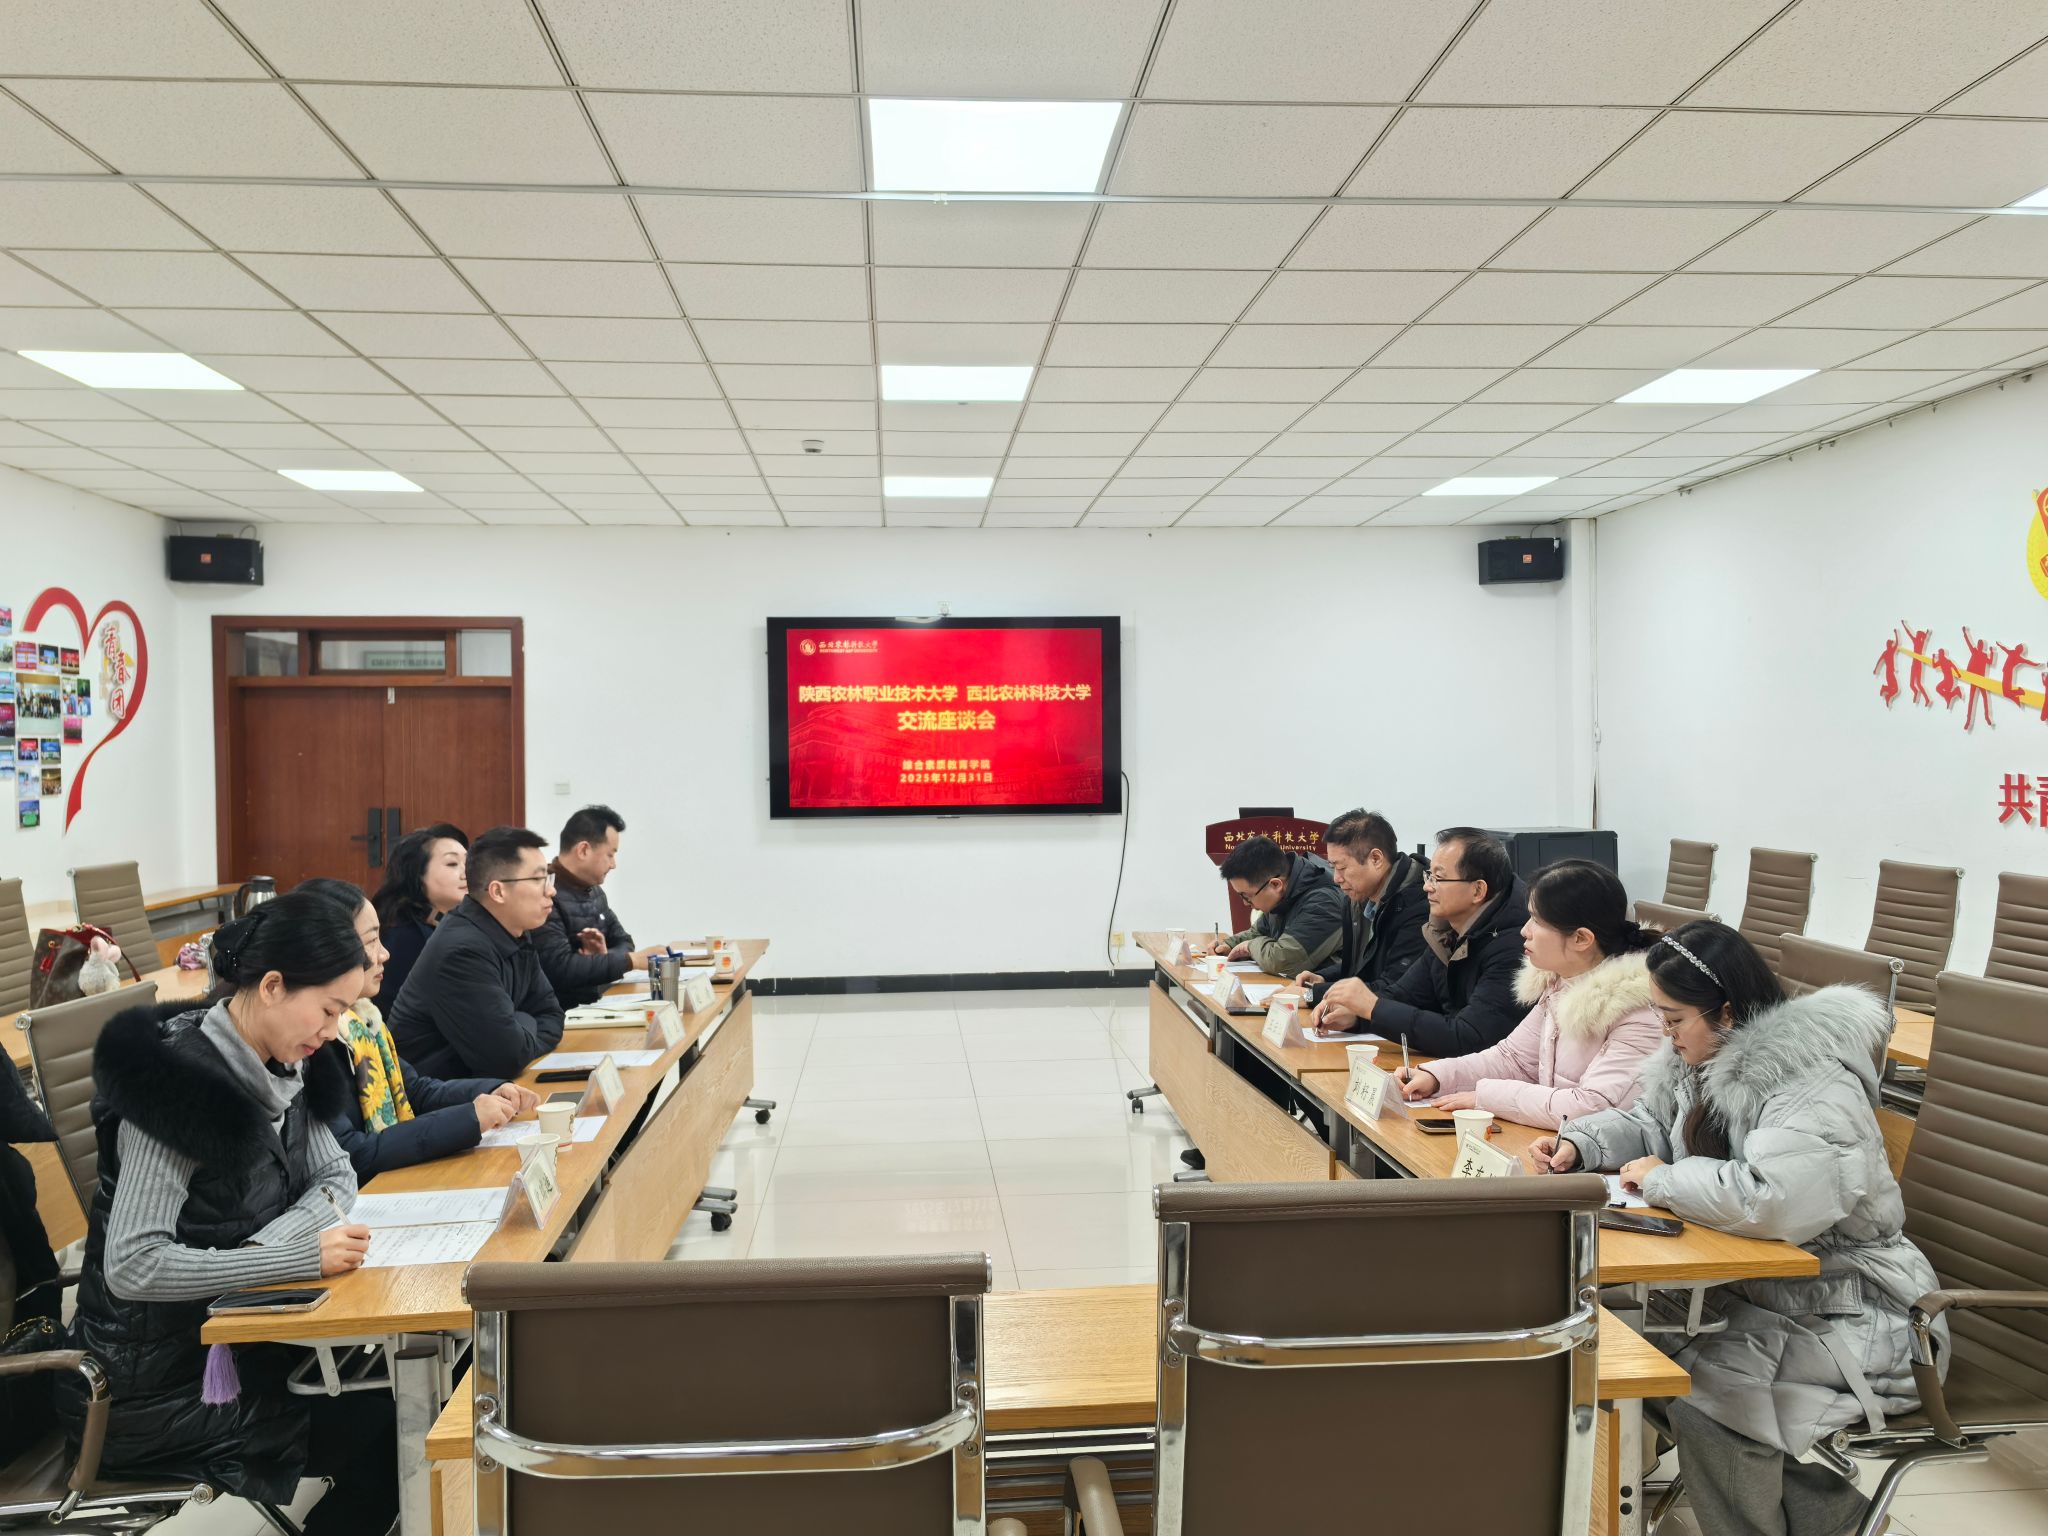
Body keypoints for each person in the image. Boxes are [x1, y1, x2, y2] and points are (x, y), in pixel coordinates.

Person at [1533, 921, 1947, 1536]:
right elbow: (1650, 1124)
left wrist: (1663, 1181)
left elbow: (1774, 1199)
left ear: (1725, 1011)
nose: (1666, 1034)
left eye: (1674, 1020)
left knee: (1706, 1399)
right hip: (1770, 1296)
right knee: (1617, 1352)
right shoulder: (1701, 1058)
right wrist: (1581, 1144)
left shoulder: (1812, 1083)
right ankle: (1841, 1521)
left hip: (1864, 1311)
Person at [55, 895, 397, 1535]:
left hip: (242, 1340)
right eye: (329, 1010)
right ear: (272, 986)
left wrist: (267, 1253)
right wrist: (292, 1257)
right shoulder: (177, 1088)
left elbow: (336, 1177)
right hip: (152, 1391)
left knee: (406, 1390)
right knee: (393, 1423)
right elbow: (133, 1266)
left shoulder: (285, 1062)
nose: (333, 1032)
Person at [298, 877, 539, 1179]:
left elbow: (415, 1090)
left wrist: (490, 1090)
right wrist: (469, 1119)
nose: (384, 954)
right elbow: (352, 1152)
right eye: (371, 942)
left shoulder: (363, 1020)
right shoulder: (313, 1036)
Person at [1394, 859, 1662, 1127]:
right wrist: (1437, 1076)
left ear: (1581, 938)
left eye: (1537, 920)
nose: (1525, 930)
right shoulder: (1560, 982)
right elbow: (1512, 1059)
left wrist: (1486, 1097)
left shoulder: (1640, 1012)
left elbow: (1591, 1108)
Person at [1314, 827, 1528, 1054]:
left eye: (1439, 878)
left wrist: (1373, 1008)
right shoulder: (1445, 931)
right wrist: (1357, 1016)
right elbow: (1405, 996)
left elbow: (1469, 1037)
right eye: (1429, 876)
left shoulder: (1515, 945)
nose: (1427, 886)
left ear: (1477, 890)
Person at [388, 826, 565, 1080]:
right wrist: (523, 1021)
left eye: (548, 877)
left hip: (483, 1087)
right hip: (440, 1095)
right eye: (538, 880)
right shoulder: (462, 951)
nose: (551, 890)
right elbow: (507, 1058)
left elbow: (552, 1015)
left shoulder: (514, 931)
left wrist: (518, 1026)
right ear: (498, 891)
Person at [530, 804, 666, 1009]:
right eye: (610, 854)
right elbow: (559, 968)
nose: (613, 864)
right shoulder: (546, 894)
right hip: (566, 1011)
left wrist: (605, 957)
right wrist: (630, 961)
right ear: (583, 850)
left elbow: (624, 941)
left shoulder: (595, 891)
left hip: (601, 1000)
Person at [1296, 809, 1428, 1010]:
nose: (1336, 878)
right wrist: (1323, 978)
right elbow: (1362, 968)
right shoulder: (1358, 898)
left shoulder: (1418, 905)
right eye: (1333, 867)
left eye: (1342, 868)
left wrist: (1313, 995)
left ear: (1376, 859)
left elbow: (1395, 986)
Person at [1207, 834, 1346, 978]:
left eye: (1246, 896)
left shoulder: (1323, 903)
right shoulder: (1287, 889)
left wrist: (1249, 946)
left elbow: (1282, 961)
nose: (1245, 903)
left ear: (1275, 884)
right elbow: (1260, 932)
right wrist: (1230, 945)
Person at [368, 822, 468, 1015]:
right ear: (419, 874)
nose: (467, 873)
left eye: (468, 862)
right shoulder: (405, 936)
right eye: (452, 864)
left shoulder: (454, 923)